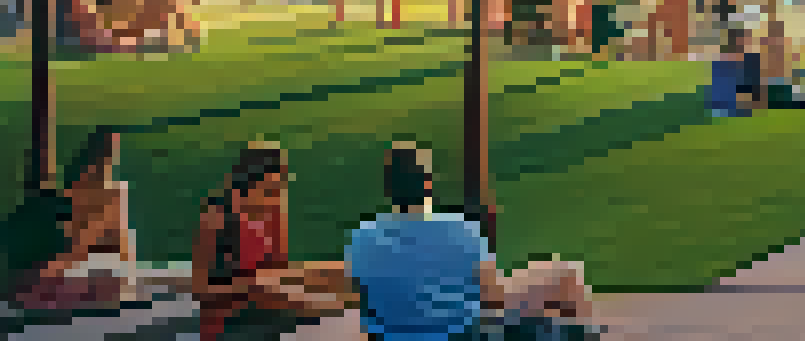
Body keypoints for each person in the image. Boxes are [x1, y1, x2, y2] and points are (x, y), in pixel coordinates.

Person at [346, 143, 594, 340]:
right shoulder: (460, 229)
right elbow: (493, 297)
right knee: (566, 274)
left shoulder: (363, 237)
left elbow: (364, 297)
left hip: (393, 336)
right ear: (428, 184)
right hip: (463, 334)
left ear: (389, 188)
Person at [193, 142, 355, 340]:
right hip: (229, 320)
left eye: (279, 187)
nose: (276, 195)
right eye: (270, 189)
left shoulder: (273, 211)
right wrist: (249, 287)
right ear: (249, 183)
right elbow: (201, 290)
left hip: (266, 305)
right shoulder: (217, 216)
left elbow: (279, 271)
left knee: (337, 282)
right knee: (326, 311)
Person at [3, 128, 151, 309]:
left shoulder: (114, 194)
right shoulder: (81, 190)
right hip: (90, 266)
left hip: (107, 272)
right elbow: (77, 242)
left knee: (53, 282)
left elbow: (84, 244)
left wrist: (53, 269)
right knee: (43, 280)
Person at [707, 29, 762, 119]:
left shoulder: (751, 59)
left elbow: (752, 86)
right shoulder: (722, 62)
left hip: (736, 107)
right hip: (726, 108)